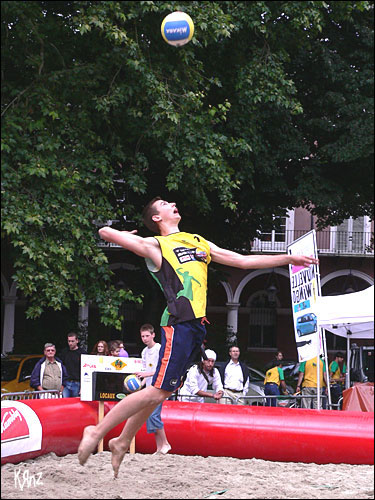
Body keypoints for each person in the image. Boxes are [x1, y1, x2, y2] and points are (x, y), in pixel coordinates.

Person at [78, 197, 318, 477]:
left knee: (161, 392)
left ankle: (122, 440)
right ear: (156, 218)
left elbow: (241, 261)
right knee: (156, 391)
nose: (173, 203)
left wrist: (288, 258)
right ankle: (96, 431)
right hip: (177, 324)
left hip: (196, 327)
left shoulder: (197, 240)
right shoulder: (156, 246)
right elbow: (104, 233)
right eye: (165, 204)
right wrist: (122, 235)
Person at [135, 324, 171, 454]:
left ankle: (166, 443)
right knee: (150, 416)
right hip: (150, 387)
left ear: (153, 335)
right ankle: (159, 447)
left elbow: (160, 370)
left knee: (154, 414)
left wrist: (145, 375)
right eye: (143, 336)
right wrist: (141, 383)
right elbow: (146, 371)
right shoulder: (144, 352)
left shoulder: (159, 349)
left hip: (159, 387)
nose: (145, 339)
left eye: (147, 336)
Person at [59, 332, 87, 398]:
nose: (70, 343)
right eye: (69, 341)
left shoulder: (82, 353)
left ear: (77, 341)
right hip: (66, 382)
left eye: (72, 341)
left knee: (75, 404)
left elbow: (85, 370)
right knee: (64, 402)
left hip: (77, 383)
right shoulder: (64, 352)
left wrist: (82, 387)